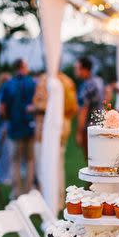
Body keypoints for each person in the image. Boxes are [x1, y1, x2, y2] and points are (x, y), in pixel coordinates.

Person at [30, 71, 78, 208]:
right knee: (59, 164)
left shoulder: (45, 80)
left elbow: (38, 104)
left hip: (45, 129)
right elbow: (74, 107)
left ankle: (47, 201)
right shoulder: (68, 80)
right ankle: (59, 200)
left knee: (43, 165)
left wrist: (33, 108)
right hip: (64, 127)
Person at [0, 59, 36, 198]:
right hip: (29, 128)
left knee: (15, 161)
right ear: (23, 67)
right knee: (30, 161)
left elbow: (2, 109)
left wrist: (7, 118)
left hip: (14, 128)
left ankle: (16, 194)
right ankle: (28, 193)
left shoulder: (8, 84)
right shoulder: (32, 83)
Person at [74, 56, 104, 159]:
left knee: (92, 161)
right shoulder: (99, 81)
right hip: (102, 124)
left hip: (90, 129)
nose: (75, 71)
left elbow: (83, 110)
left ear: (84, 69)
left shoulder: (87, 85)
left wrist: (79, 132)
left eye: (77, 68)